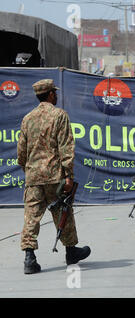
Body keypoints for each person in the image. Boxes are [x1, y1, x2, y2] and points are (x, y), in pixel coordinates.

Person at [17, 79, 90, 274]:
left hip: (33, 177)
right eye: (54, 93)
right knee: (63, 213)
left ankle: (29, 257)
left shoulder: (27, 118)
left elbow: (21, 152)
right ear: (50, 94)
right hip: (54, 176)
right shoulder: (59, 115)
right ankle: (70, 251)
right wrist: (68, 175)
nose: (56, 95)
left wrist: (28, 169)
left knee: (31, 217)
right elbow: (66, 147)